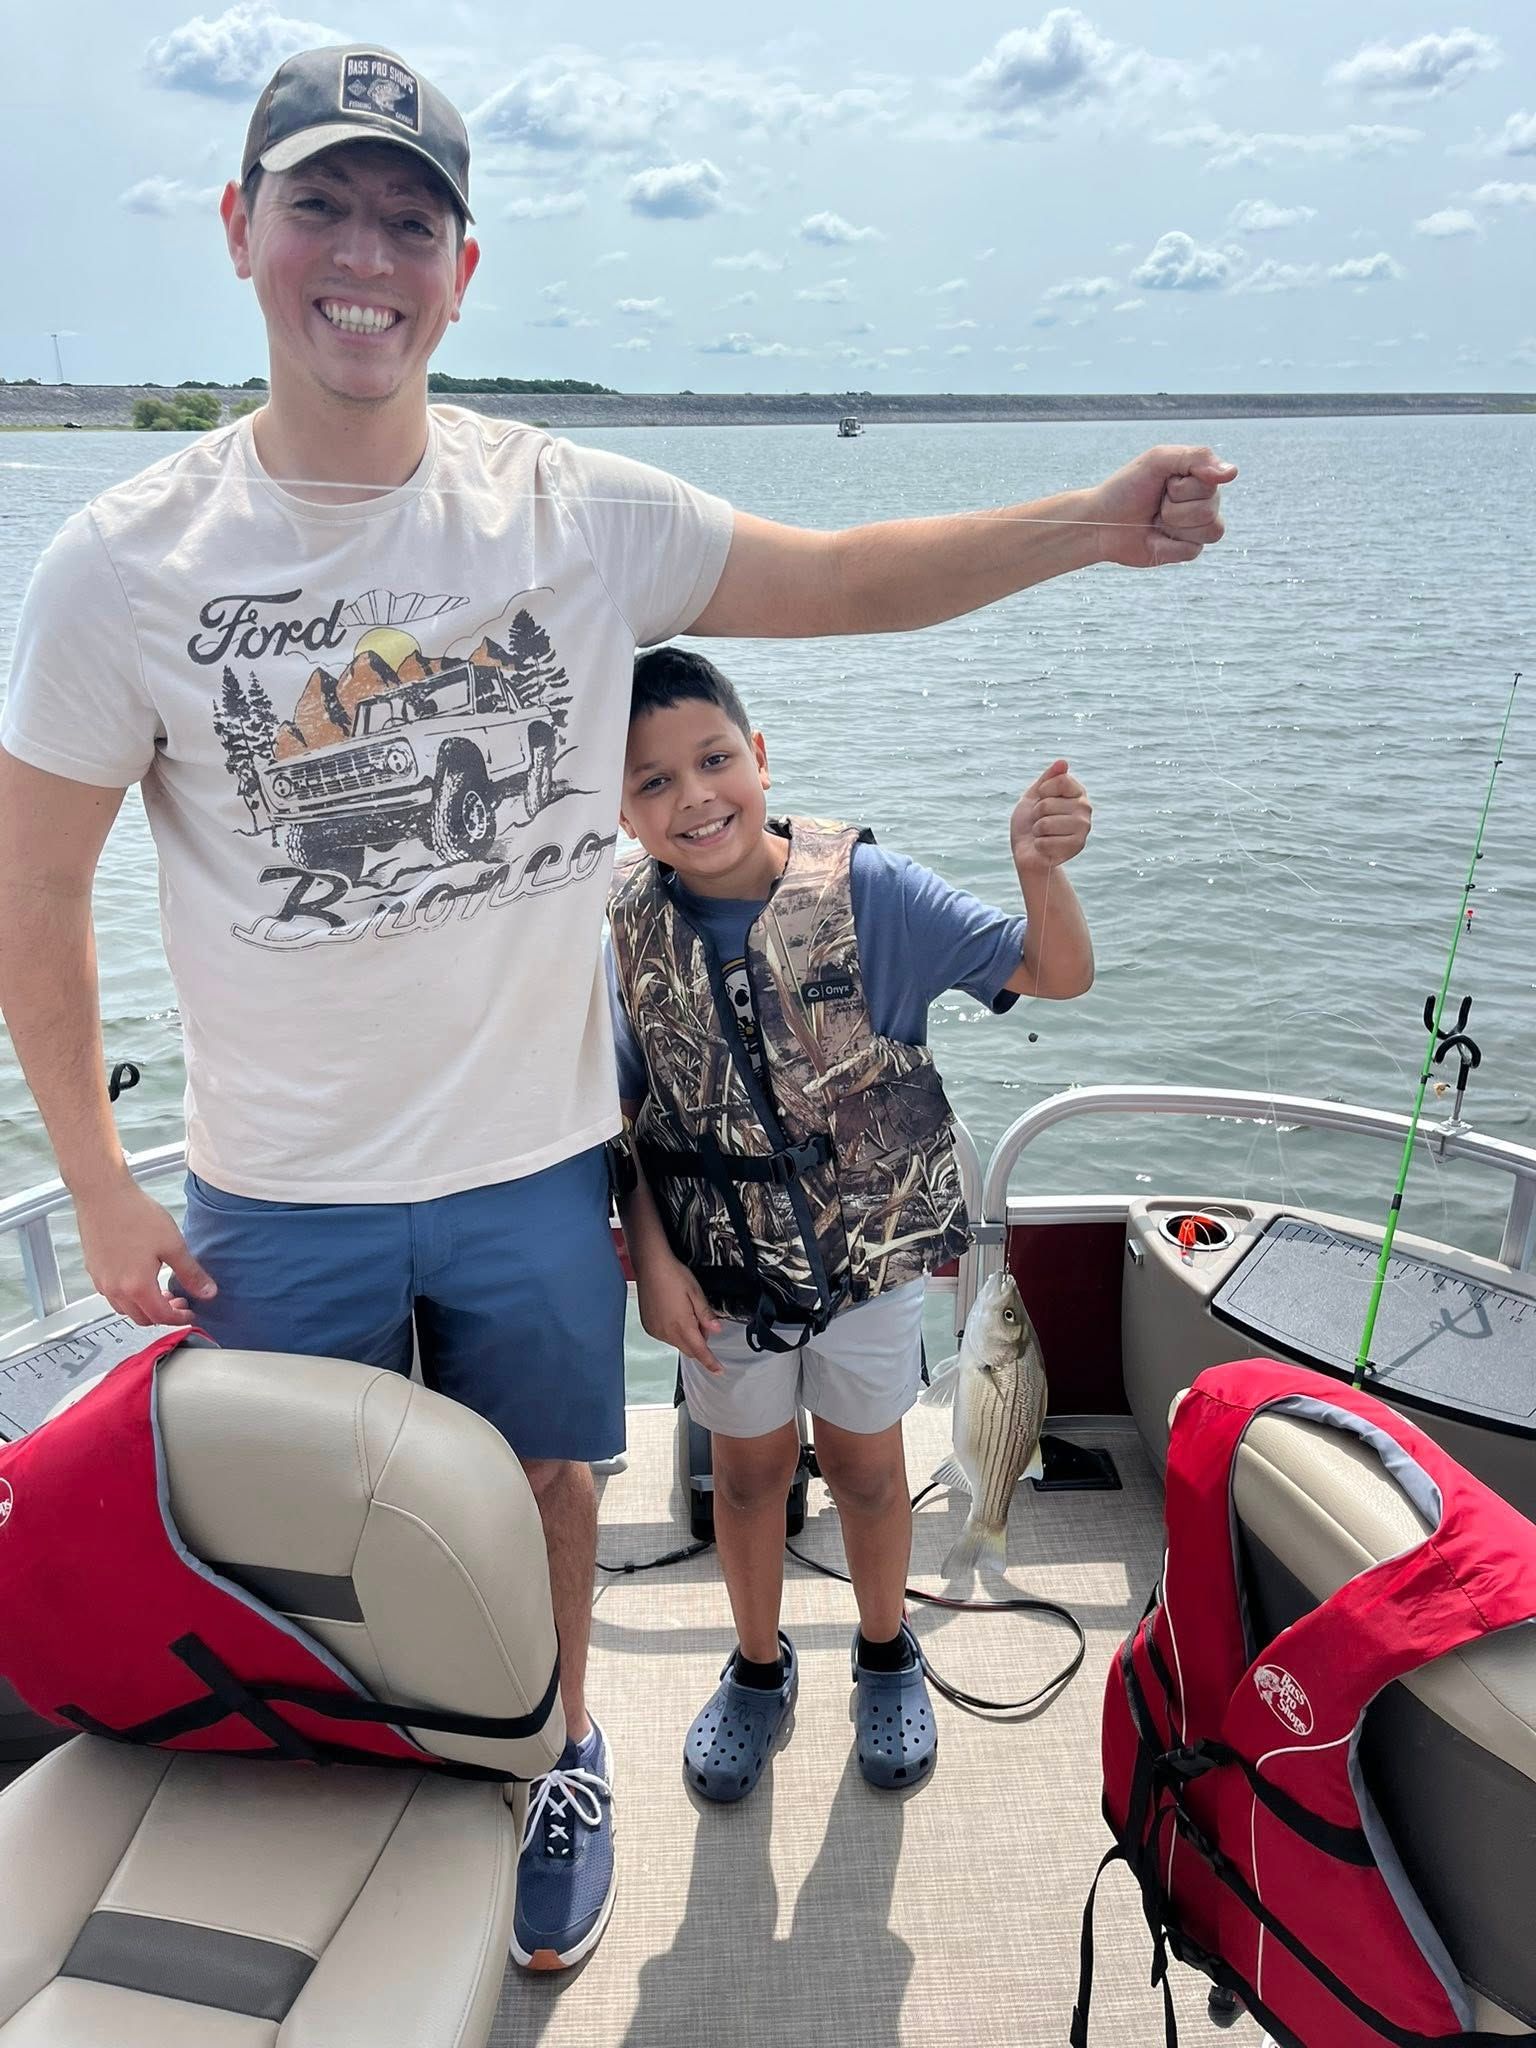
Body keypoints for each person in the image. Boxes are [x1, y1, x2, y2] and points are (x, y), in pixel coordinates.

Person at [0, 39, 1233, 1974]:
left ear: (462, 275)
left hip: (534, 1157)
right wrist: (94, 1177)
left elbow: (837, 573)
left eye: (411, 221)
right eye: (319, 204)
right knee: (300, 1515)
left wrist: (1085, 521)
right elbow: (38, 885)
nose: (364, 255)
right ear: (240, 231)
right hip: (275, 1172)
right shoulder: (118, 564)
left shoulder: (564, 508)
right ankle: (357, 1756)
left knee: (551, 1483)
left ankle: (557, 1742)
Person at [607, 643, 1094, 1797]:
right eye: (653, 781)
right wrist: (652, 1258)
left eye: (715, 759)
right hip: (721, 1279)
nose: (695, 796)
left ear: (761, 756)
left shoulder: (868, 890)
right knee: (744, 1478)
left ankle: (886, 1652)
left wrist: (1037, 867)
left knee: (873, 1475)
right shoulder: (628, 929)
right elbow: (628, 1117)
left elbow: (1056, 969)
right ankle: (759, 1668)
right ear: (621, 811)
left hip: (871, 1268)